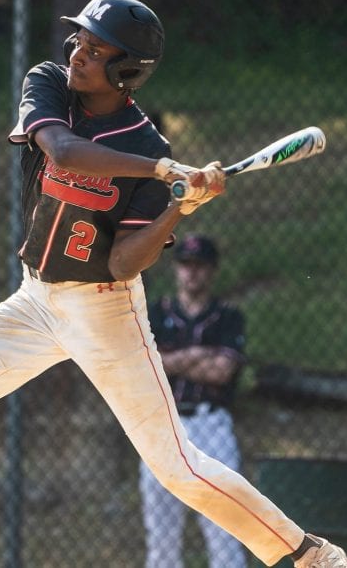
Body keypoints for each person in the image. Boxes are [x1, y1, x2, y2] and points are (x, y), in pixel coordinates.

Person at [0, 0, 347, 568]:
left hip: (106, 311)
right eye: (79, 41)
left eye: (95, 49)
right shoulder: (51, 86)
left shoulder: (145, 142)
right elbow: (63, 153)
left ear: (128, 71)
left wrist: (176, 209)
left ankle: (307, 554)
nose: (78, 54)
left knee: (178, 468)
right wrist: (165, 171)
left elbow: (122, 263)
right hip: (35, 299)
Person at [143, 234, 250, 568]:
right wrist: (198, 353)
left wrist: (172, 359)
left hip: (211, 423)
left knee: (224, 528)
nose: (192, 273)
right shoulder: (156, 314)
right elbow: (147, 367)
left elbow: (222, 371)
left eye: (199, 266)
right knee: (161, 537)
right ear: (176, 269)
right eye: (186, 265)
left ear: (212, 270)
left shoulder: (228, 317)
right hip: (163, 426)